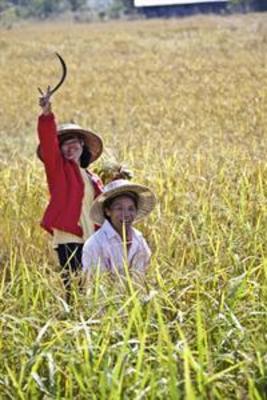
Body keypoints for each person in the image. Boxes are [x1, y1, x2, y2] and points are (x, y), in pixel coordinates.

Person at [37, 89, 103, 301]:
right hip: (69, 237)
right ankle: (72, 324)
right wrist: (47, 113)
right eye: (64, 143)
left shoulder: (91, 176)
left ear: (82, 145)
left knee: (93, 286)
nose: (69, 147)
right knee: (74, 289)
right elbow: (48, 143)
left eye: (74, 141)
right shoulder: (58, 171)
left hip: (91, 238)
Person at [82, 179, 156, 282]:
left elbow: (143, 276)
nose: (126, 214)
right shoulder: (95, 244)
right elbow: (98, 286)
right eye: (119, 208)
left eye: (131, 209)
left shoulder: (139, 239)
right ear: (108, 211)